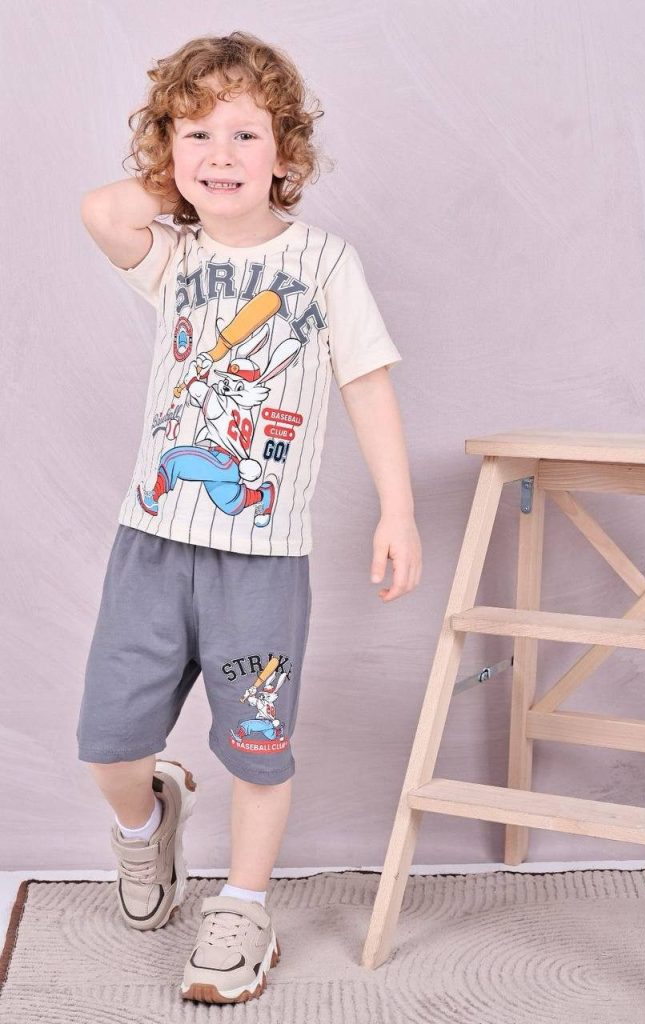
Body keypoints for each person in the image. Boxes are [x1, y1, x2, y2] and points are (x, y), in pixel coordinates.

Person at [76, 29, 421, 1006]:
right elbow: (103, 210)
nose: (220, 154)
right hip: (151, 549)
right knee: (110, 744)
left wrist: (397, 508)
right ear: (167, 150)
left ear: (286, 151)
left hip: (260, 563)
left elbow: (366, 382)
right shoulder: (173, 256)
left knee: (259, 745)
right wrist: (183, 177)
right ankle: (149, 824)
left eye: (244, 135)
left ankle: (242, 906)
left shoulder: (323, 263)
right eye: (197, 134)